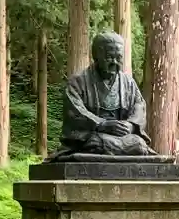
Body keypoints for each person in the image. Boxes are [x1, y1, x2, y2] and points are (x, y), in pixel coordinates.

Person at [46, 31, 157, 162]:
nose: (114, 62)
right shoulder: (78, 81)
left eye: (119, 58)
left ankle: (113, 151)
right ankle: (114, 151)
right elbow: (75, 111)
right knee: (95, 142)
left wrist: (131, 125)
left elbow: (139, 106)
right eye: (109, 57)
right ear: (96, 56)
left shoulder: (128, 82)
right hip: (93, 134)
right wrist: (102, 124)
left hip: (122, 137)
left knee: (138, 143)